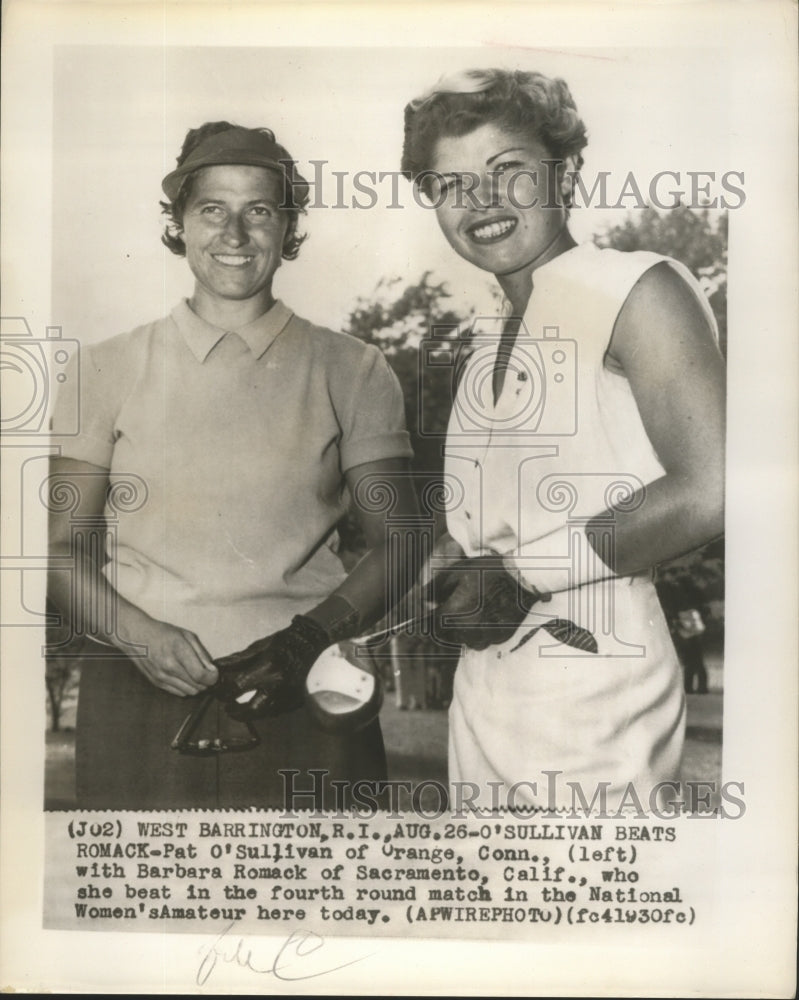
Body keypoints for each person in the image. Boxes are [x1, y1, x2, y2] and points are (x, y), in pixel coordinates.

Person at [48, 122, 418, 809]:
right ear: (179, 225)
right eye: (212, 209)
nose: (235, 233)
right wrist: (138, 635)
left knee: (314, 906)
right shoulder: (103, 367)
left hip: (308, 685)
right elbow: (54, 551)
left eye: (260, 210)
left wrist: (311, 637)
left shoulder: (353, 367)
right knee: (143, 906)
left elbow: (400, 542)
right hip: (140, 688)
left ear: (288, 228)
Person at [401, 69, 725, 810]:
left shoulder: (636, 287)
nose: (479, 204)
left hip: (597, 684)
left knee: (589, 918)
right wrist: (453, 560)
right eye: (449, 185)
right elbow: (510, 520)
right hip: (483, 686)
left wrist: (519, 572)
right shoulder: (487, 337)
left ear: (566, 170)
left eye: (506, 171)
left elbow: (712, 488)